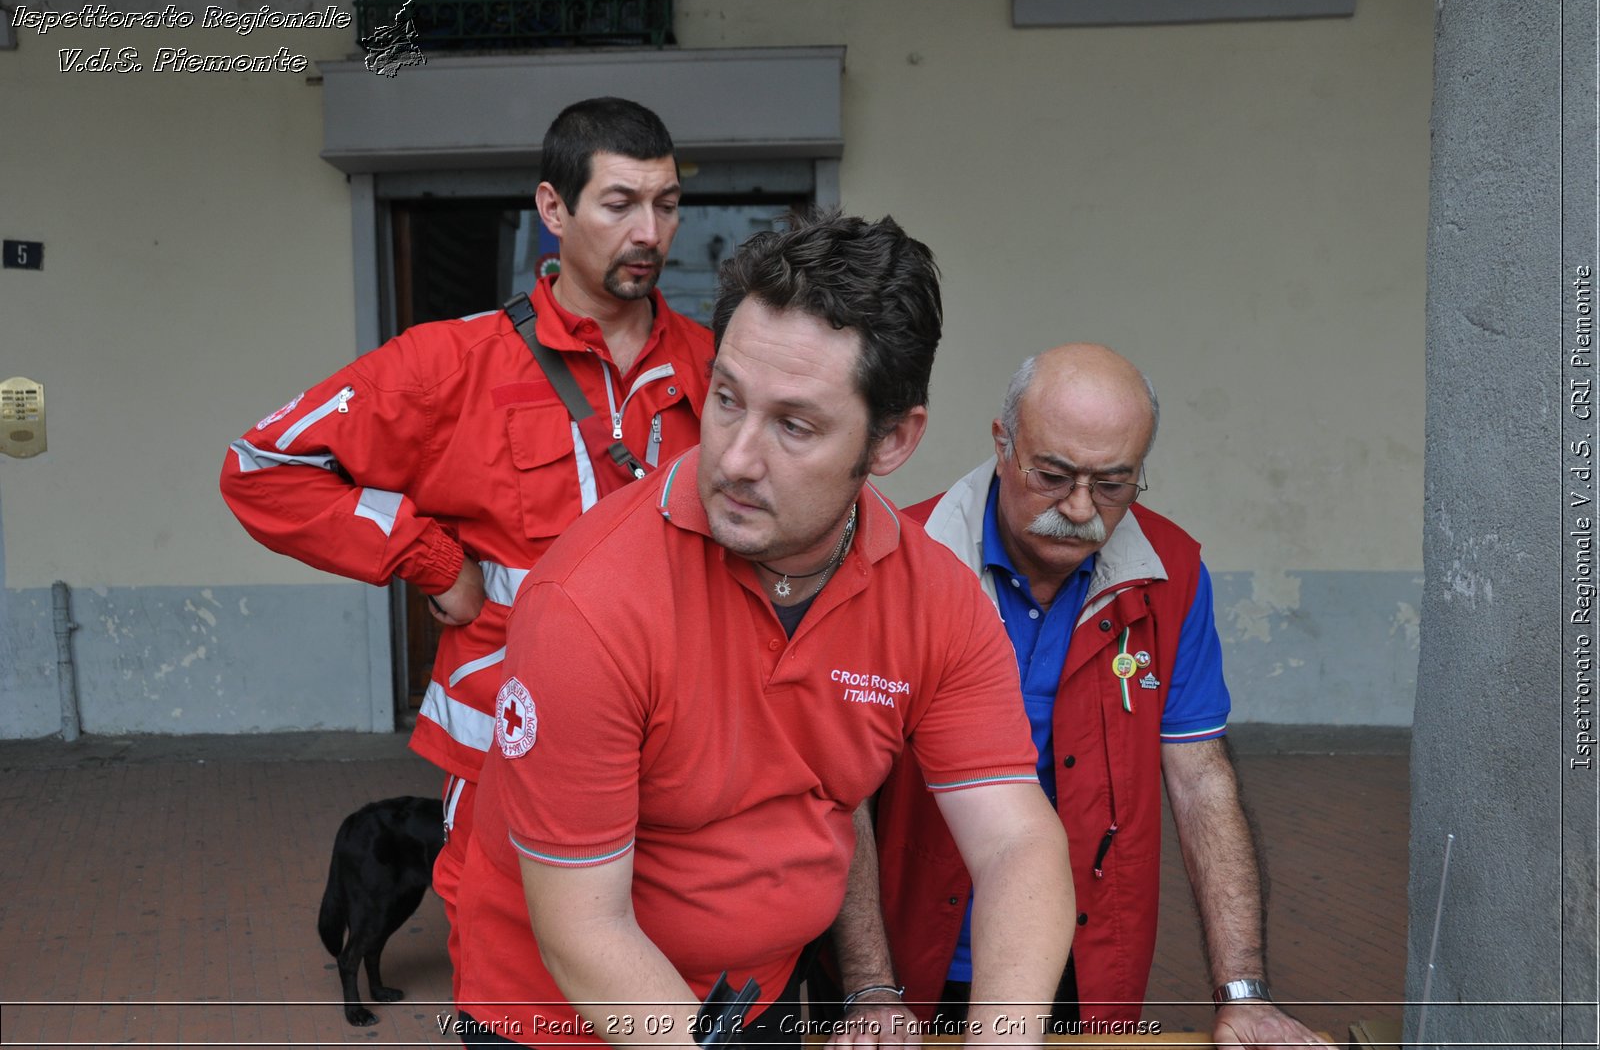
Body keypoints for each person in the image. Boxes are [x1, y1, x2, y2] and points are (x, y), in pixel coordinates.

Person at [450, 210, 1074, 1048]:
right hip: (558, 1015)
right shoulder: (588, 604)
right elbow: (583, 931)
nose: (736, 458)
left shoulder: (936, 600)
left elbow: (1016, 844)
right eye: (727, 397)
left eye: (794, 424)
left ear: (893, 440)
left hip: (752, 994)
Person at [218, 97, 712, 995]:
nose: (651, 231)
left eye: (668, 203)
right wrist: (429, 557)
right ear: (553, 210)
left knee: (668, 959)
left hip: (679, 742)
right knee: (517, 966)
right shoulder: (450, 364)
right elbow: (261, 464)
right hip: (510, 747)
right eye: (620, 203)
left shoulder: (716, 369)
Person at [859, 345, 1330, 1048]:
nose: (1079, 508)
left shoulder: (1170, 575)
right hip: (915, 956)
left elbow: (1201, 780)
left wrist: (1243, 992)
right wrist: (869, 986)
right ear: (1002, 442)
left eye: (1112, 483)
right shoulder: (898, 560)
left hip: (1089, 958)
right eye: (1052, 475)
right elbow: (835, 794)